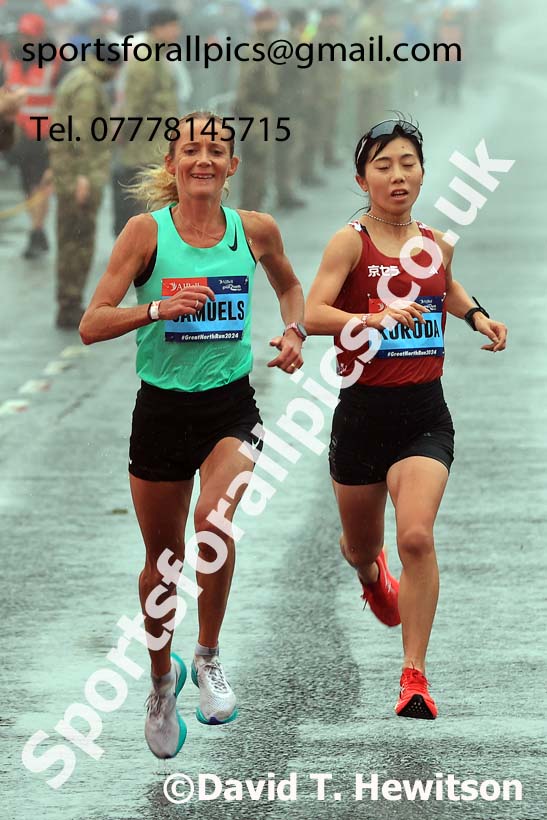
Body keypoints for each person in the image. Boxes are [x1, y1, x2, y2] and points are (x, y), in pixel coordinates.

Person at [79, 111, 306, 758]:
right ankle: (160, 680)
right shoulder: (144, 232)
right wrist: (155, 308)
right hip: (160, 412)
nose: (203, 159)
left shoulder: (253, 230)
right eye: (190, 150)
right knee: (163, 561)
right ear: (173, 165)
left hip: (228, 408)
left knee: (215, 521)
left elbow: (291, 289)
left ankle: (206, 654)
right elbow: (92, 324)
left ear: (232, 166)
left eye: (215, 150)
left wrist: (293, 332)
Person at [304, 118, 507, 719]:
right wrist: (363, 320)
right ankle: (371, 575)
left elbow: (443, 288)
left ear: (422, 170)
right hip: (361, 418)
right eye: (384, 165)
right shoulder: (349, 243)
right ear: (362, 176)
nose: (398, 175)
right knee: (360, 546)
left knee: (416, 536)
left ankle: (413, 676)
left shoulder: (434, 242)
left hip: (424, 414)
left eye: (408, 163)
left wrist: (478, 317)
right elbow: (313, 313)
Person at [49, 52, 121, 329]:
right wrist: (81, 176)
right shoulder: (89, 87)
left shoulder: (76, 78)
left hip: (67, 171)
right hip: (80, 176)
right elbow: (81, 133)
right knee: (77, 242)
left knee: (70, 237)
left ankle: (69, 301)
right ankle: (70, 303)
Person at [112, 7, 187, 236]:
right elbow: (134, 105)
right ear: (158, 28)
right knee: (148, 207)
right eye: (172, 26)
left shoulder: (162, 56)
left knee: (158, 205)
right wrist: (123, 134)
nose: (177, 31)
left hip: (159, 143)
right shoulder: (145, 60)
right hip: (145, 146)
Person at [4, 13, 60, 259]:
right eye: (24, 35)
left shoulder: (56, 62)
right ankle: (37, 230)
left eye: (31, 36)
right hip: (19, 134)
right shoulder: (9, 59)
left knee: (41, 183)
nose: (27, 40)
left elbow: (65, 98)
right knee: (28, 184)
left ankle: (37, 230)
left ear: (41, 36)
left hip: (46, 132)